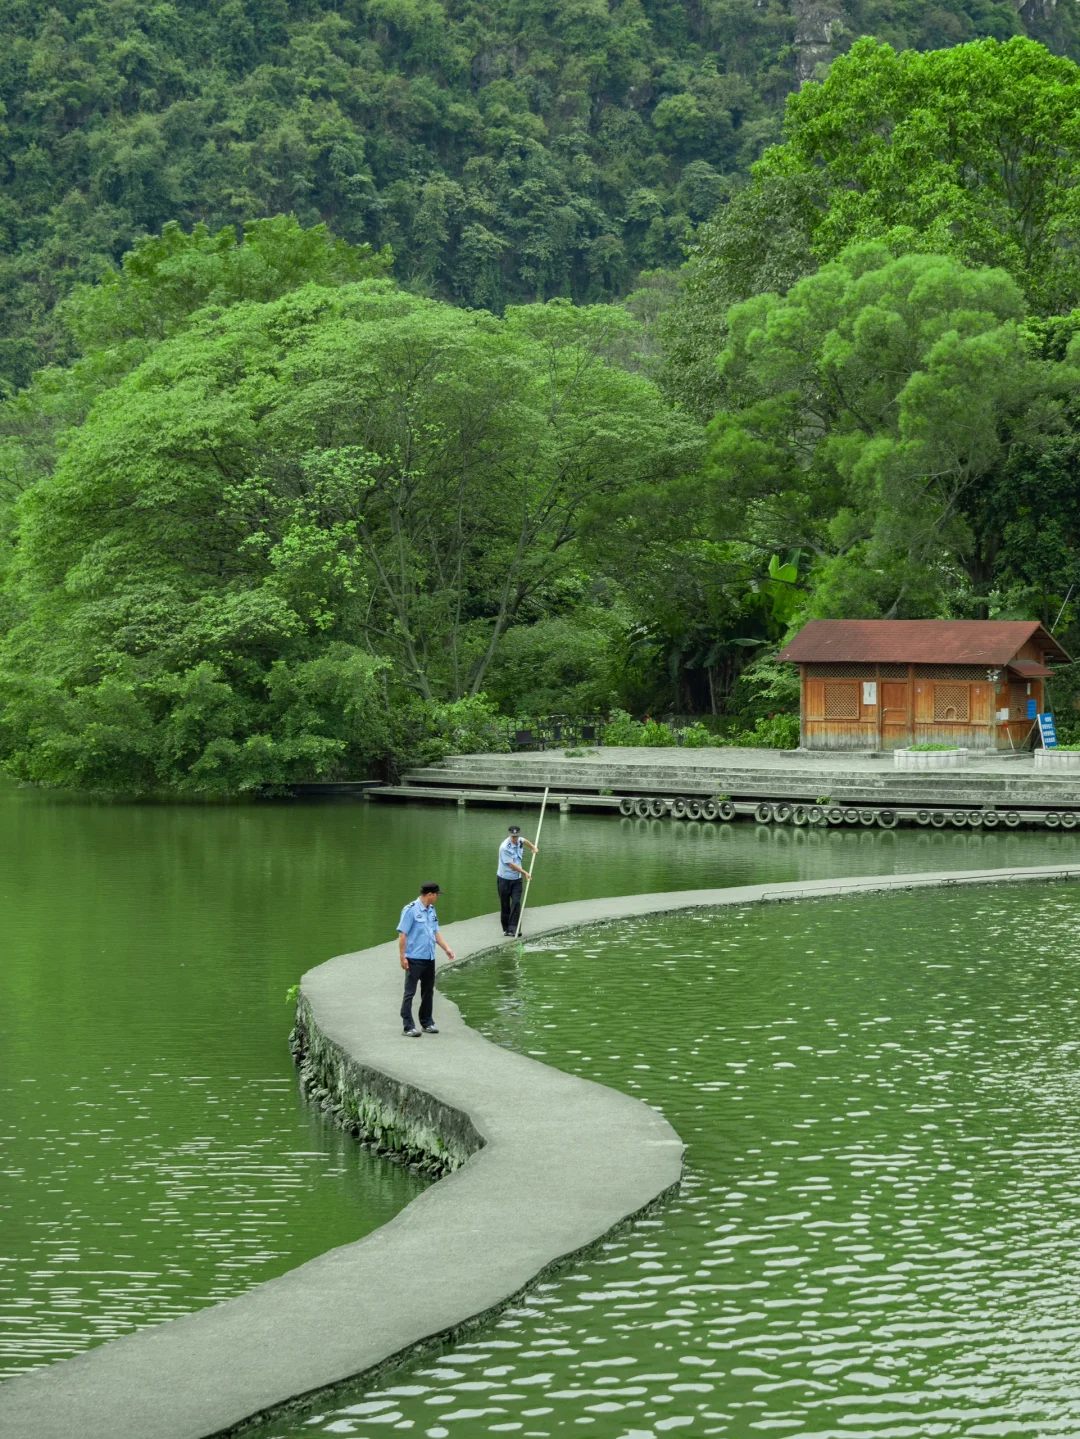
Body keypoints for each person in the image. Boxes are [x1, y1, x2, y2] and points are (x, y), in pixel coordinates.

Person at [397, 883, 455, 1037]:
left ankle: (427, 1023)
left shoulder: (431, 910)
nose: (437, 897)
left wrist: (447, 948)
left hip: (429, 957)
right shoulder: (410, 910)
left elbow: (435, 932)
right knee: (410, 992)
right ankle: (408, 1026)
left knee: (428, 991)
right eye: (436, 894)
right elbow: (402, 935)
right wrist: (402, 957)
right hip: (414, 958)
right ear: (430, 894)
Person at [496, 823, 538, 937]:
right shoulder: (504, 847)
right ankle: (507, 929)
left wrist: (533, 847)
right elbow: (511, 865)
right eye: (513, 836)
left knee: (516, 902)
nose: (515, 838)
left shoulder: (519, 840)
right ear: (509, 835)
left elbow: (525, 841)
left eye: (516, 836)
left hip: (517, 880)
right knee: (505, 904)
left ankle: (515, 928)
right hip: (504, 879)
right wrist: (525, 872)